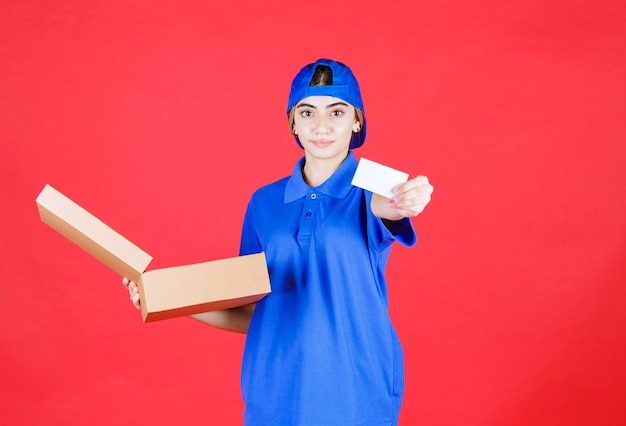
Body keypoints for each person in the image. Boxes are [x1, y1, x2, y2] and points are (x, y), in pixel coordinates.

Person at [123, 58, 434, 425]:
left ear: (356, 121)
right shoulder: (264, 203)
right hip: (275, 392)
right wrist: (166, 298)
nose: (321, 126)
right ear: (293, 123)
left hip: (355, 389)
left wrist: (409, 198)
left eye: (336, 112)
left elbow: (395, 203)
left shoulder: (372, 191)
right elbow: (255, 311)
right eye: (307, 113)